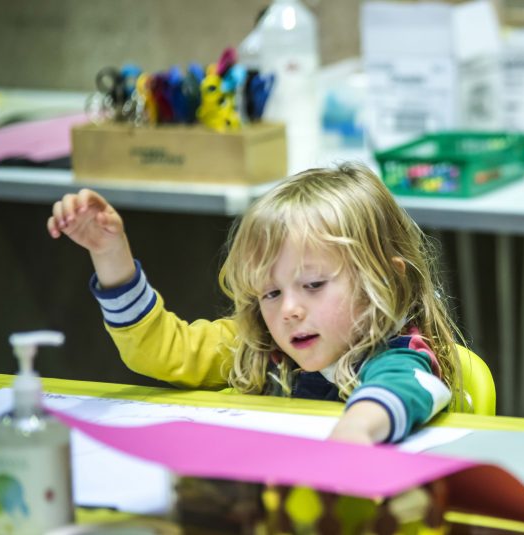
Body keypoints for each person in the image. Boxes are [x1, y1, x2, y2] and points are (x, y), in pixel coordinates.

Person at [47, 163, 465, 445]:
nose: (288, 310)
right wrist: (110, 256)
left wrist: (351, 435)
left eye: (314, 284)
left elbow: (399, 389)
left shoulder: (398, 357)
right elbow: (161, 350)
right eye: (271, 292)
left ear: (387, 280)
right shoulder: (257, 348)